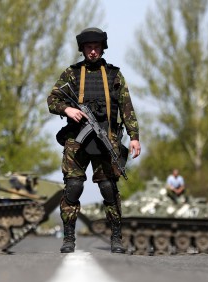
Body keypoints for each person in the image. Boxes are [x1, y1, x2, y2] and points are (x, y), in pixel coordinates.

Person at [47, 27, 141, 254]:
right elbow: (52, 99)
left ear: (102, 48)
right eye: (89, 48)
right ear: (82, 49)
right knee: (73, 187)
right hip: (76, 142)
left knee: (109, 189)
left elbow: (127, 108)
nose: (92, 52)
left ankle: (116, 237)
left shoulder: (114, 75)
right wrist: (67, 109)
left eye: (96, 47)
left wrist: (134, 137)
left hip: (105, 140)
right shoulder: (71, 74)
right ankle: (68, 238)